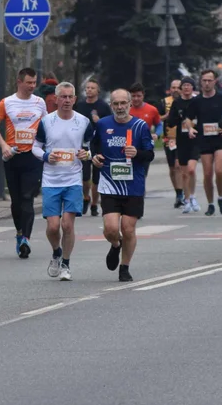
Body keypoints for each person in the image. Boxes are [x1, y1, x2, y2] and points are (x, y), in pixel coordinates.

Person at [90, 89, 156, 282]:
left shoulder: (140, 126)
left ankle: (124, 267)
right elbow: (93, 146)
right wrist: (95, 157)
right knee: (111, 228)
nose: (120, 107)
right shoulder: (103, 124)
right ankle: (116, 244)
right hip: (109, 183)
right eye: (116, 104)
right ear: (111, 105)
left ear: (129, 104)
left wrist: (137, 153)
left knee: (128, 229)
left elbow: (150, 154)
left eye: (123, 103)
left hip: (133, 185)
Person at [33, 82, 94, 281]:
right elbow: (35, 147)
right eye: (63, 97)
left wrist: (87, 154)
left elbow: (90, 147)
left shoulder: (83, 122)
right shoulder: (46, 122)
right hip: (51, 180)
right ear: (56, 99)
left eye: (70, 97)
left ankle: (66, 264)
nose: (67, 100)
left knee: (67, 225)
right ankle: (56, 252)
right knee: (52, 227)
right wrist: (45, 156)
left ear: (75, 99)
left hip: (73, 180)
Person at [0, 67, 48, 258]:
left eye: (34, 82)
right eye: (29, 82)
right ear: (19, 82)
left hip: (33, 156)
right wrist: (3, 145)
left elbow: (47, 127)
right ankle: (19, 232)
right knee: (16, 201)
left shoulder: (40, 103)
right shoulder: (7, 102)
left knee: (27, 197)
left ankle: (26, 240)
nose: (32, 86)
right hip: (13, 156)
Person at [196, 70, 222, 215]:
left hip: (220, 138)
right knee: (208, 174)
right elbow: (188, 117)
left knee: (219, 171)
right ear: (201, 82)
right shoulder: (197, 101)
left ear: (215, 82)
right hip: (205, 140)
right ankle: (210, 203)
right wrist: (190, 128)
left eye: (209, 80)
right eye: (204, 80)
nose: (206, 83)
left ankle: (221, 197)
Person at [74, 79, 111, 216]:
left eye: (92, 88)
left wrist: (99, 121)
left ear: (98, 91)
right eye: (87, 88)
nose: (89, 90)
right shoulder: (80, 105)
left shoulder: (103, 106)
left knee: (96, 177)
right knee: (84, 175)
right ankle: (85, 197)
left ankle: (95, 204)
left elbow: (110, 124)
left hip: (99, 144)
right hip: (83, 143)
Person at [166, 76, 201, 213]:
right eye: (184, 85)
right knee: (185, 173)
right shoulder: (177, 103)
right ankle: (187, 200)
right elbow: (171, 122)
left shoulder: (197, 102)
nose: (187, 87)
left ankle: (193, 196)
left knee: (191, 170)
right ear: (181, 88)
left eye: (189, 85)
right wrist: (177, 118)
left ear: (193, 87)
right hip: (182, 140)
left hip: (195, 140)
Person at [162, 79, 184, 207]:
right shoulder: (164, 102)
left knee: (178, 166)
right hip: (169, 139)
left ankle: (182, 194)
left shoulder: (185, 101)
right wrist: (168, 115)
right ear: (170, 89)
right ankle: (178, 192)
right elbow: (157, 118)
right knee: (172, 168)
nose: (175, 90)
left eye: (178, 87)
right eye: (173, 87)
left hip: (183, 139)